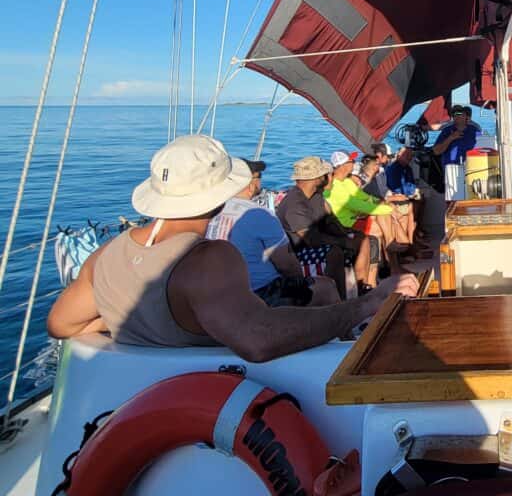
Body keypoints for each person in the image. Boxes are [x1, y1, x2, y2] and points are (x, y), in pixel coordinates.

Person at [46, 135, 417, 359]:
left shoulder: (104, 256)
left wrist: (130, 316)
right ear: (221, 194)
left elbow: (61, 323)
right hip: (215, 396)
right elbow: (258, 340)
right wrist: (366, 304)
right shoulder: (209, 259)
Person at [206, 159, 336, 307]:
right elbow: (288, 266)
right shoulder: (259, 214)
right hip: (260, 292)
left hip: (220, 293)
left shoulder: (212, 211)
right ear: (251, 184)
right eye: (259, 177)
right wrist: (301, 285)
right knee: (326, 287)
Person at [277, 156, 374, 292]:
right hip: (298, 252)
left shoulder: (316, 196)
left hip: (316, 241)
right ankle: (339, 300)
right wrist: (343, 242)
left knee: (361, 239)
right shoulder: (295, 203)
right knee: (334, 252)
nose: (329, 177)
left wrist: (346, 234)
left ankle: (361, 288)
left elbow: (330, 222)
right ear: (316, 178)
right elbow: (311, 238)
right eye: (325, 174)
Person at [323, 157, 397, 288]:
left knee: (379, 221)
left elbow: (363, 197)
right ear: (343, 165)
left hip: (355, 218)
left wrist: (380, 202)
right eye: (351, 161)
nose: (354, 163)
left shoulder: (346, 182)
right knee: (376, 230)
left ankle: (385, 266)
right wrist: (388, 209)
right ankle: (376, 276)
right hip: (346, 224)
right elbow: (357, 205)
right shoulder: (335, 186)